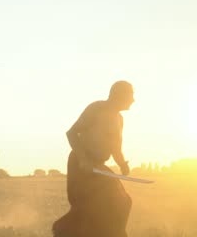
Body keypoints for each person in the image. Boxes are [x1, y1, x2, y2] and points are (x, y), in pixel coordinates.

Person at [52, 81, 135, 237]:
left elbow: (116, 148)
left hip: (97, 166)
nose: (133, 100)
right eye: (131, 94)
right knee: (91, 206)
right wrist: (84, 159)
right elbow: (71, 133)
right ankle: (62, 231)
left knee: (124, 201)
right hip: (80, 165)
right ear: (119, 95)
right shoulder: (96, 109)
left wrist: (122, 163)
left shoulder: (119, 119)